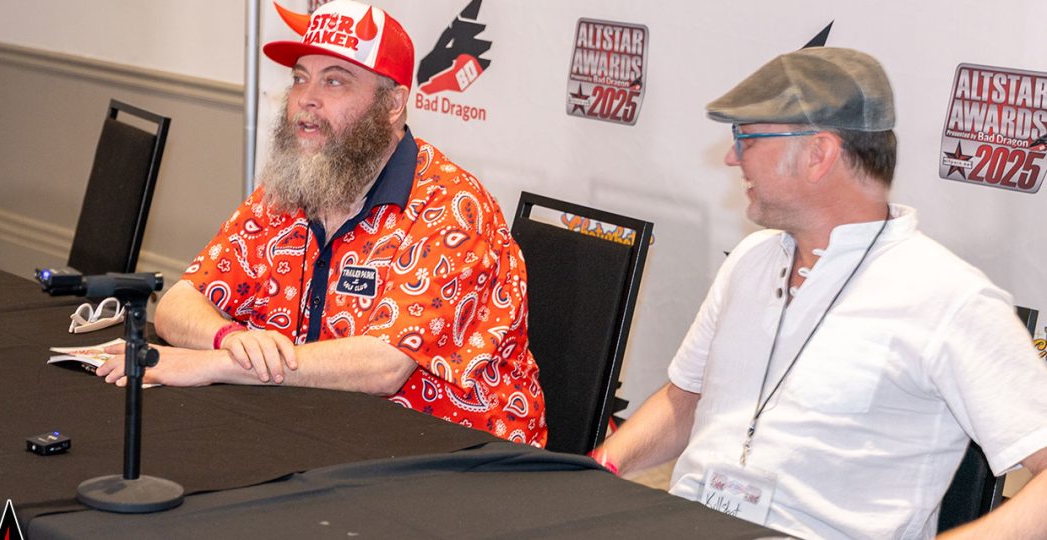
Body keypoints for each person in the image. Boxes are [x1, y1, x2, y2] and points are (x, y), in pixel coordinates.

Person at [591, 47, 1047, 539]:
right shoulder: (751, 260)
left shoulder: (949, 298)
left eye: (747, 137)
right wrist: (598, 471)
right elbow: (686, 398)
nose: (731, 156)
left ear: (818, 154)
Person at [96, 0, 546, 447]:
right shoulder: (286, 192)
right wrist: (228, 336)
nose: (306, 99)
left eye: (334, 81)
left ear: (392, 104)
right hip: (318, 433)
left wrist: (213, 364)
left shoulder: (451, 207)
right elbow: (179, 302)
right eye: (299, 78)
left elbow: (383, 366)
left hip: (459, 458)